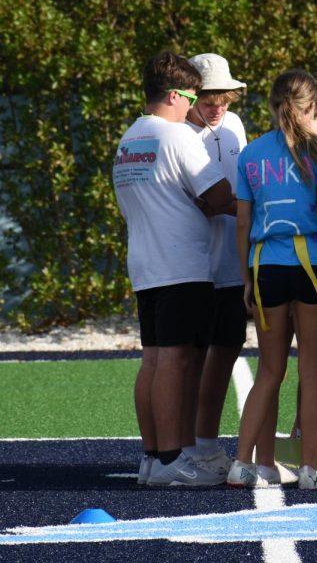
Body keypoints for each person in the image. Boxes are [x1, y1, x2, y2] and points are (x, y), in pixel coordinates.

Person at [227, 70, 317, 490]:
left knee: (269, 371)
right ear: (309, 107)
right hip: (312, 263)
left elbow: (242, 222)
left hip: (266, 265)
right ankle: (313, 468)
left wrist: (246, 275)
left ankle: (243, 463)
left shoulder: (251, 154)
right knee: (314, 372)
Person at [112, 51, 234, 487]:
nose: (194, 106)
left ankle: (152, 458)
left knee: (154, 360)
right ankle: (169, 461)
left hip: (146, 261)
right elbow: (220, 197)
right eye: (191, 96)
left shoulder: (129, 139)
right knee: (177, 362)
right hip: (182, 263)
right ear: (173, 94)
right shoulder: (177, 136)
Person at [182, 52, 249, 484]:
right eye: (209, 96)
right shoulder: (176, 134)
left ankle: (205, 444)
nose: (218, 105)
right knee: (186, 359)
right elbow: (213, 200)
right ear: (190, 95)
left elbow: (235, 194)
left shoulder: (237, 127)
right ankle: (182, 448)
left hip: (233, 265)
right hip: (192, 264)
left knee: (225, 352)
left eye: (223, 96)